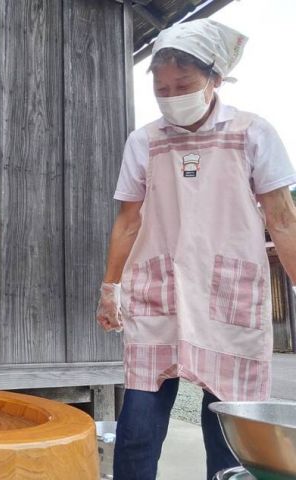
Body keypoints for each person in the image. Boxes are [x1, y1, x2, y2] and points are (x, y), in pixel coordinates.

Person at [95, 19, 296, 480]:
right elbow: (127, 220)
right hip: (158, 295)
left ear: (214, 80)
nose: (171, 96)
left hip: (228, 294)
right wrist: (111, 287)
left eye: (183, 85)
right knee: (138, 428)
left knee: (226, 437)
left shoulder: (252, 133)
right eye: (162, 88)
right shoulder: (144, 141)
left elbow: (283, 219)